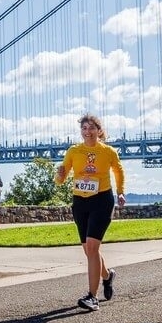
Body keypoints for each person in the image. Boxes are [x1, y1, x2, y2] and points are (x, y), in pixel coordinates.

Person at [55, 114, 126, 311]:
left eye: (91, 128)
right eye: (84, 128)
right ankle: (107, 276)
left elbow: (119, 172)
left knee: (93, 248)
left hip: (101, 200)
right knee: (89, 250)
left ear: (99, 130)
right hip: (80, 201)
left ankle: (92, 297)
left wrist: (120, 192)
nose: (87, 132)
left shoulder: (108, 151)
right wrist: (59, 176)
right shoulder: (74, 151)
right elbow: (61, 177)